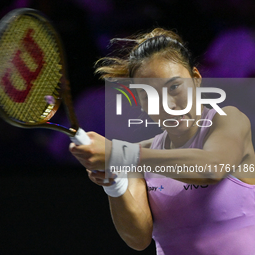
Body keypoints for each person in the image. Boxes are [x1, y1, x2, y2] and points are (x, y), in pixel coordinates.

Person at [69, 28, 255, 254]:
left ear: (196, 79)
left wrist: (119, 154)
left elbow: (212, 167)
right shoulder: (139, 154)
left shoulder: (230, 120)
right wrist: (114, 182)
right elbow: (137, 239)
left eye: (174, 87)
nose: (168, 104)